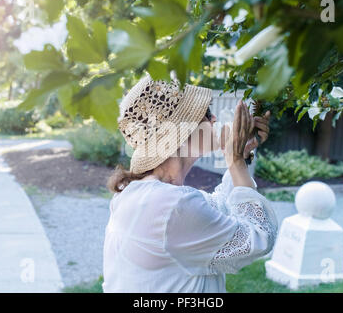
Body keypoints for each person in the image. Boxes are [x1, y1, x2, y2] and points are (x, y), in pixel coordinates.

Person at [103, 73, 278, 292]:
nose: (214, 119)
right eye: (206, 113)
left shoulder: (146, 195)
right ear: (180, 131)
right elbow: (259, 237)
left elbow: (218, 210)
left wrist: (238, 156)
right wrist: (235, 162)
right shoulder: (171, 205)